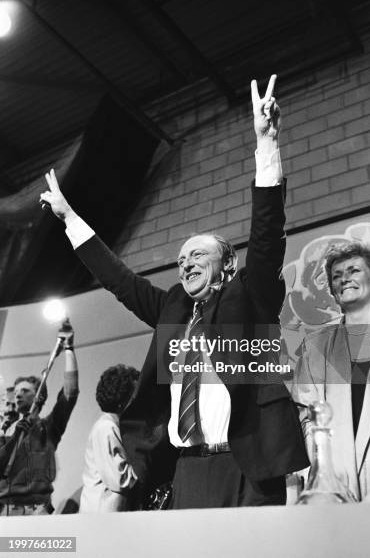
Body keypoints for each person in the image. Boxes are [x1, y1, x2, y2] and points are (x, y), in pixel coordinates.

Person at [40, 74, 308, 509]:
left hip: (246, 468)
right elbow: (118, 278)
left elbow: (267, 234)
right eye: (182, 259)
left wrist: (266, 145)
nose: (186, 263)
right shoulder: (171, 308)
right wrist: (69, 217)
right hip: (184, 470)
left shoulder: (249, 295)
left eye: (199, 255)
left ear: (227, 266)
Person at [292, 241, 370, 501]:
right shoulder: (315, 346)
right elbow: (305, 418)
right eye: (336, 275)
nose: (344, 279)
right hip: (330, 495)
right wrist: (324, 479)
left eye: (353, 271)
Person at [0, 326, 79, 515]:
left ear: (39, 396)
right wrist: (11, 435)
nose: (18, 395)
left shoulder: (48, 428)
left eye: (25, 391)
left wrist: (69, 348)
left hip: (37, 511)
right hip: (5, 511)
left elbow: (70, 393)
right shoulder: (7, 430)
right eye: (17, 392)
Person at [79, 364, 140, 513]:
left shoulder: (110, 425)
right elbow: (121, 480)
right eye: (134, 395)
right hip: (102, 514)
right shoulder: (106, 427)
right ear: (122, 398)